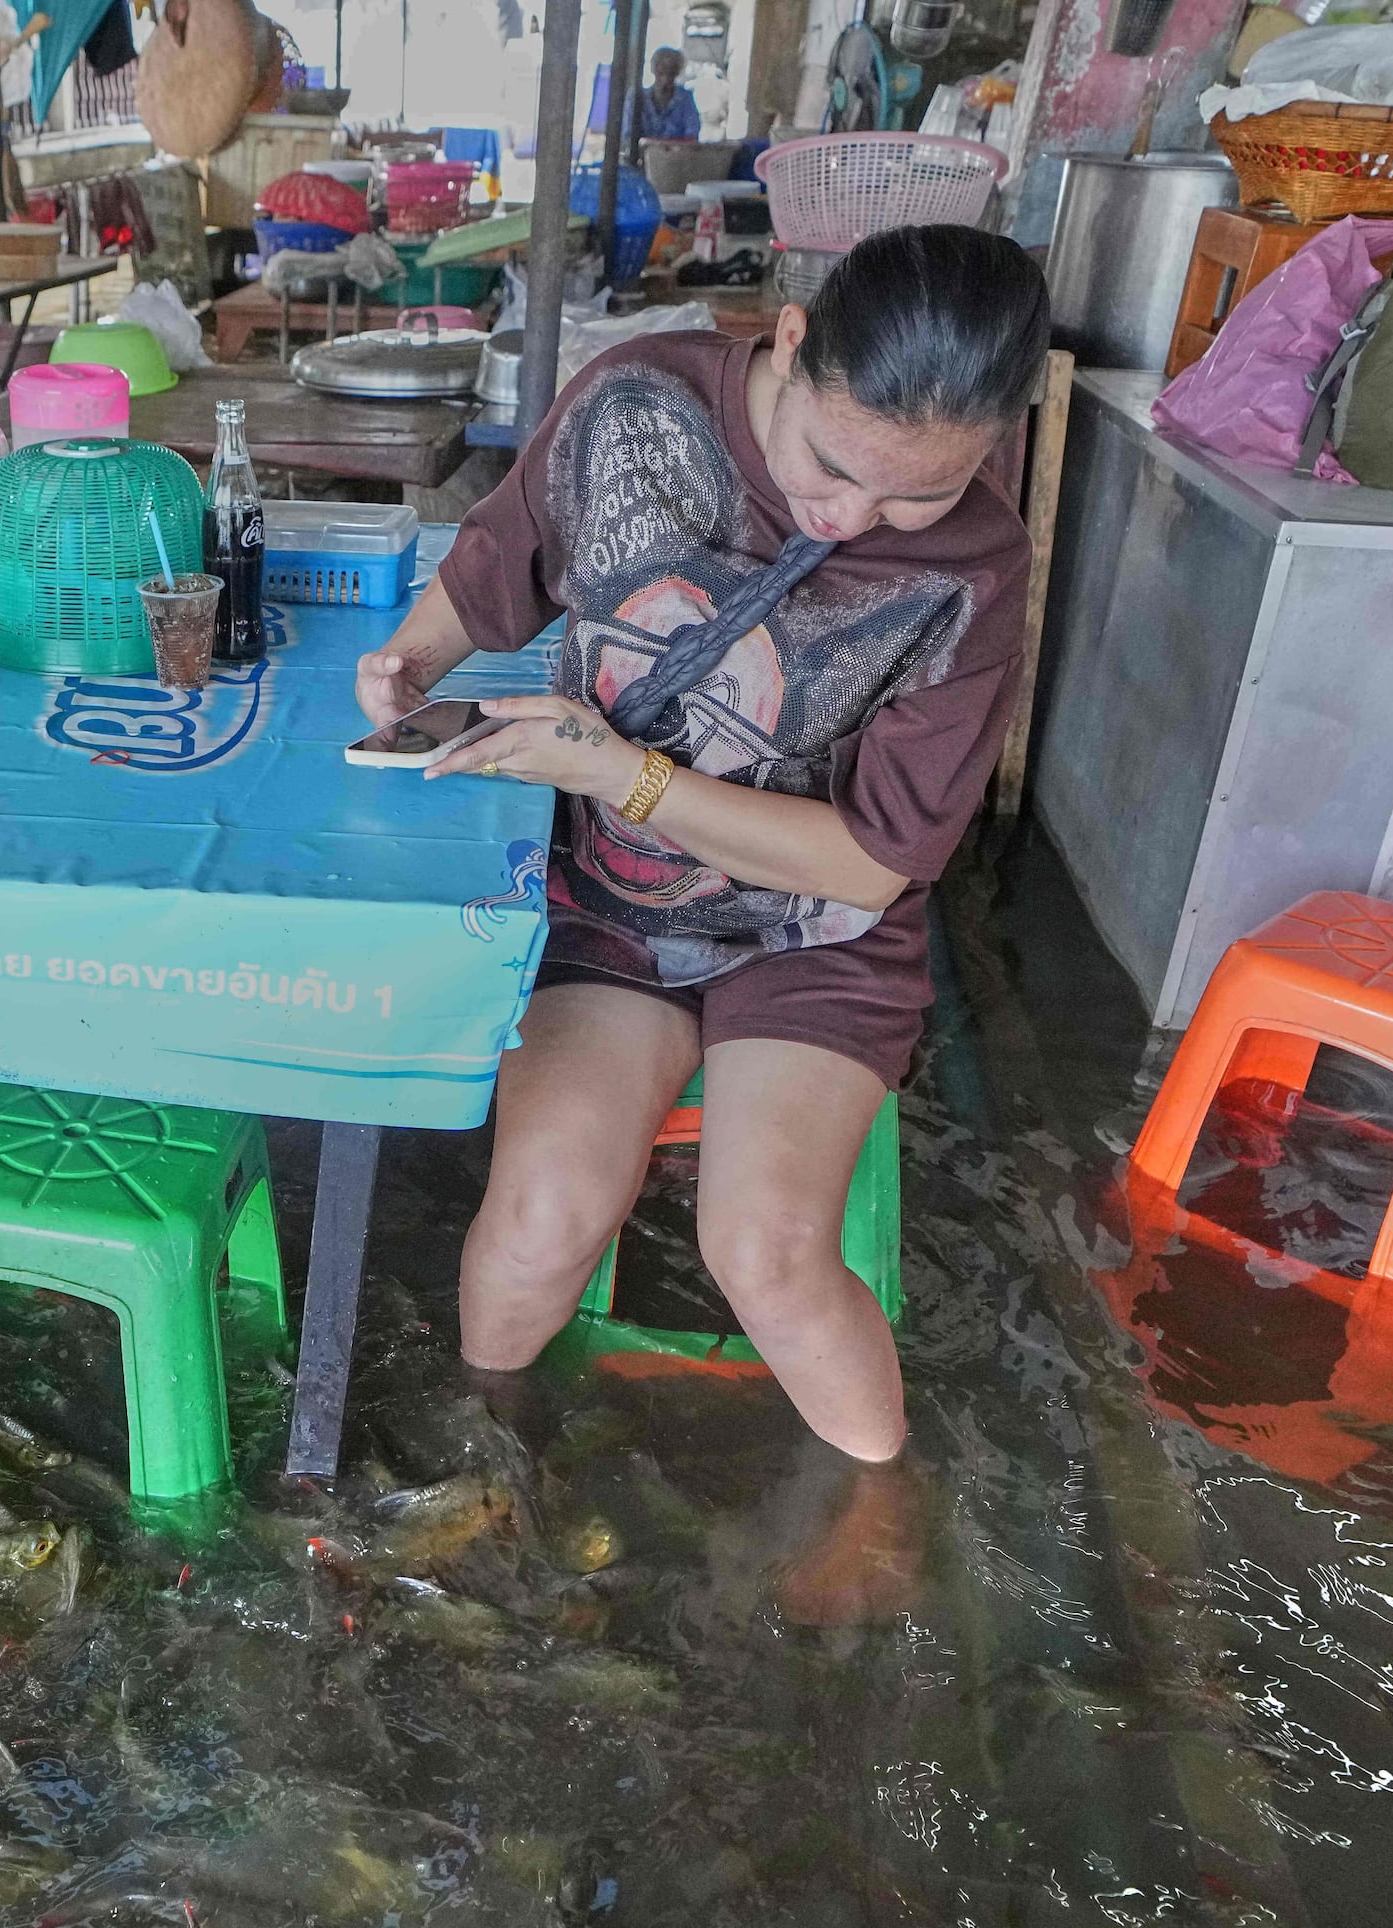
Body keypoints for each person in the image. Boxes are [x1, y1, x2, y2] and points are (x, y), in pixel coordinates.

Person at [351, 224, 1045, 1465]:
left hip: (810, 931)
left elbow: (872, 864)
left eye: (920, 492)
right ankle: (484, 1471)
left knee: (764, 1251)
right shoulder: (637, 406)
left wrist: (625, 773)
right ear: (788, 341)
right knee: (541, 1216)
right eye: (834, 468)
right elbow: (498, 563)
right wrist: (413, 660)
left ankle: (883, 1537)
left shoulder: (975, 574)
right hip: (610, 904)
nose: (854, 518)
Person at [639, 47, 704, 143]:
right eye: (661, 73)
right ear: (653, 70)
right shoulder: (638, 98)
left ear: (677, 73)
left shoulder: (686, 99)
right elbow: (627, 134)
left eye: (671, 73)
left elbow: (692, 135)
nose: (665, 79)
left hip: (676, 156)